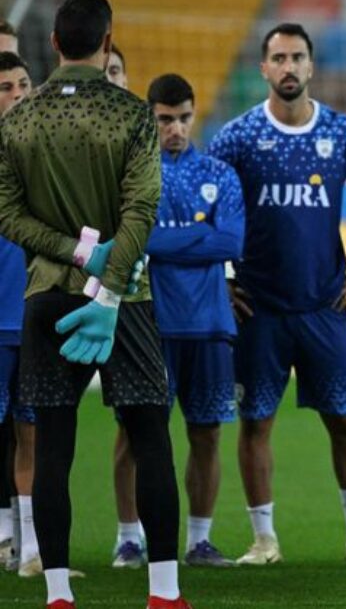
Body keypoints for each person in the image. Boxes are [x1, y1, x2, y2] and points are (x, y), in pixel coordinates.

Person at [0, 0, 189, 609]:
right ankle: (164, 593)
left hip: (49, 297)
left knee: (52, 444)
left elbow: (6, 213)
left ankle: (57, 594)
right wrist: (108, 285)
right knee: (150, 437)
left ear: (52, 43)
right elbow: (142, 210)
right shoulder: (133, 114)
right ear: (107, 43)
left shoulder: (16, 121)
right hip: (126, 302)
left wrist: (76, 254)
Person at [208, 22, 346, 566]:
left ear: (310, 67)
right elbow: (200, 205)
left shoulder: (343, 135)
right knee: (255, 423)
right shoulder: (236, 137)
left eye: (297, 57)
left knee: (344, 421)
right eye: (277, 58)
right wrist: (221, 280)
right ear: (263, 68)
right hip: (257, 309)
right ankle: (264, 540)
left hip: (324, 307)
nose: (287, 67)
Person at [144, 73, 245, 568]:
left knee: (206, 434)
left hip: (209, 325)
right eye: (165, 119)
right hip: (152, 325)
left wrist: (161, 243)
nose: (176, 128)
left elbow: (231, 244)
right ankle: (130, 538)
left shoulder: (221, 174)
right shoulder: (136, 172)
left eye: (183, 118)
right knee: (140, 435)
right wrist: (198, 237)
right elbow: (135, 240)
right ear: (151, 118)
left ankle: (199, 541)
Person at [104, 40, 150, 569]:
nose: (110, 78)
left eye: (118, 71)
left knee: (144, 421)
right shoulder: (72, 140)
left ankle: (144, 541)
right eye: (105, 69)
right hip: (84, 294)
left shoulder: (141, 137)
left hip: (141, 301)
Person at [0, 51, 37, 577]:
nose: (16, 94)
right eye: (5, 86)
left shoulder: (46, 151)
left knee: (34, 432)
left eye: (23, 84)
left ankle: (31, 548)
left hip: (32, 316)